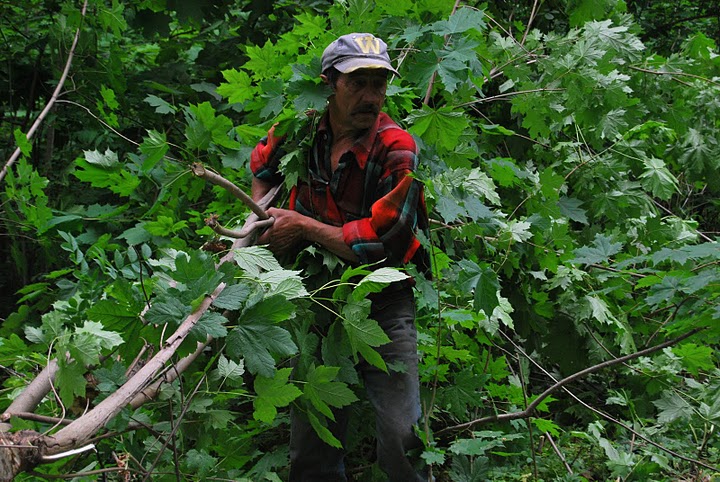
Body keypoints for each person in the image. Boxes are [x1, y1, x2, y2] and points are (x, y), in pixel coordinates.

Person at [250, 32, 429, 482]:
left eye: (379, 84)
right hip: (315, 294)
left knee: (402, 433)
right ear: (330, 82)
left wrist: (303, 226)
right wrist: (264, 221)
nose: (371, 97)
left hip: (382, 302)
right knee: (312, 430)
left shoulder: (396, 148)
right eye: (358, 84)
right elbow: (263, 167)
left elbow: (382, 244)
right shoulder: (300, 129)